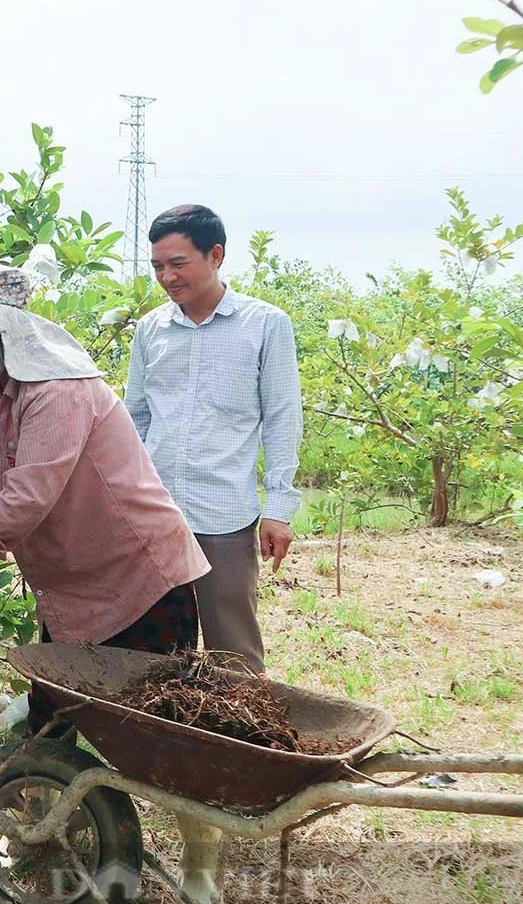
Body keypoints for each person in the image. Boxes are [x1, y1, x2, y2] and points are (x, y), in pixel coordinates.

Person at [0, 262, 221, 904]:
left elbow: (27, 497)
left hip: (140, 579)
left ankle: (202, 866)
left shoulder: (57, 389)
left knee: (164, 735)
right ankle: (46, 848)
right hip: (68, 589)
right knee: (52, 723)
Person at [125, 204, 303, 677]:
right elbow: (135, 419)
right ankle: (159, 741)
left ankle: (243, 744)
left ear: (216, 255)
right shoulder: (150, 330)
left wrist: (280, 508)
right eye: (158, 266)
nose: (167, 276)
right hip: (155, 511)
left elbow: (283, 419)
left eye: (178, 263)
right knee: (153, 642)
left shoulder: (265, 325)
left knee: (233, 650)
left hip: (223, 511)